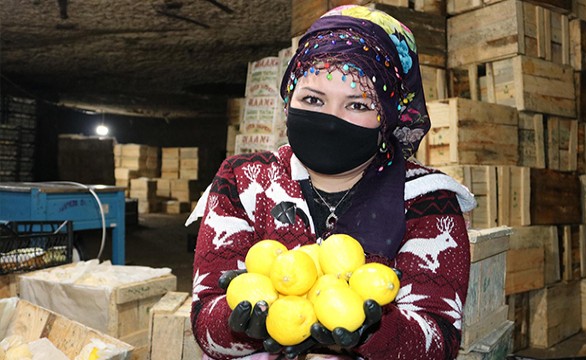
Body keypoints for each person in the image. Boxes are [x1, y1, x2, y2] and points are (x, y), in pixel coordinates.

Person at [190, 5, 477, 360]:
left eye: (357, 105)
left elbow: (438, 340)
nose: (329, 120)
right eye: (312, 99)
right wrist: (242, 325)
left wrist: (373, 332)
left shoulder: (426, 198)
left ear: (388, 116)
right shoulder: (244, 181)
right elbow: (205, 325)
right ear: (288, 100)